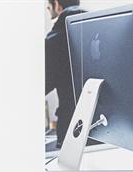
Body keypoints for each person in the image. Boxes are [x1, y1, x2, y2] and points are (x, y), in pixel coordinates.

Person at [45, 0, 86, 136]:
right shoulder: (100, 27)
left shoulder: (54, 40)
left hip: (71, 128)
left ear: (56, 4)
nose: (47, 7)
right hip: (105, 125)